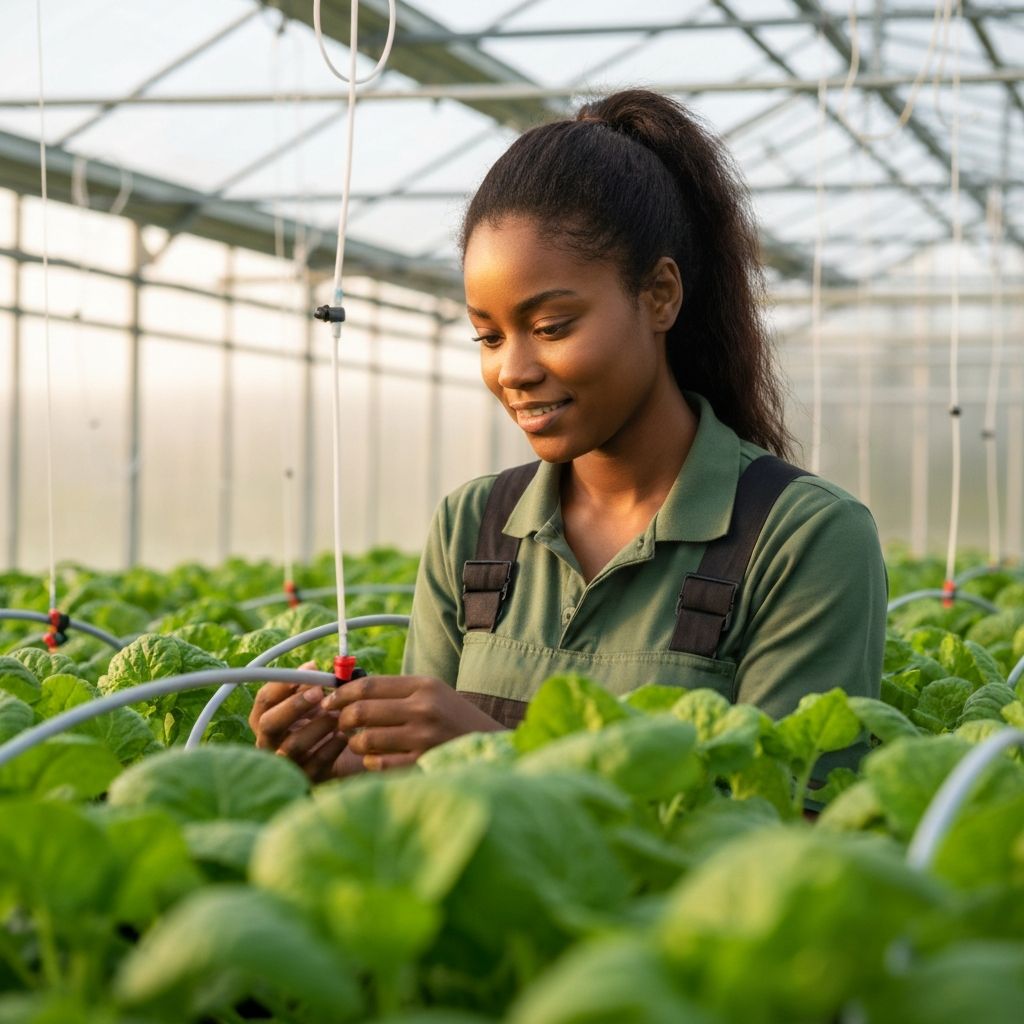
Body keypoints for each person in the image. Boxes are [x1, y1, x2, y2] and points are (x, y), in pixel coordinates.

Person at [250, 89, 888, 782]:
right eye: (488, 336)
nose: (513, 371)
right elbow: (428, 804)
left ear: (660, 296)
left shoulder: (807, 538)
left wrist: (494, 751)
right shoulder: (472, 527)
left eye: (552, 326)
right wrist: (354, 764)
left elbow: (789, 835)